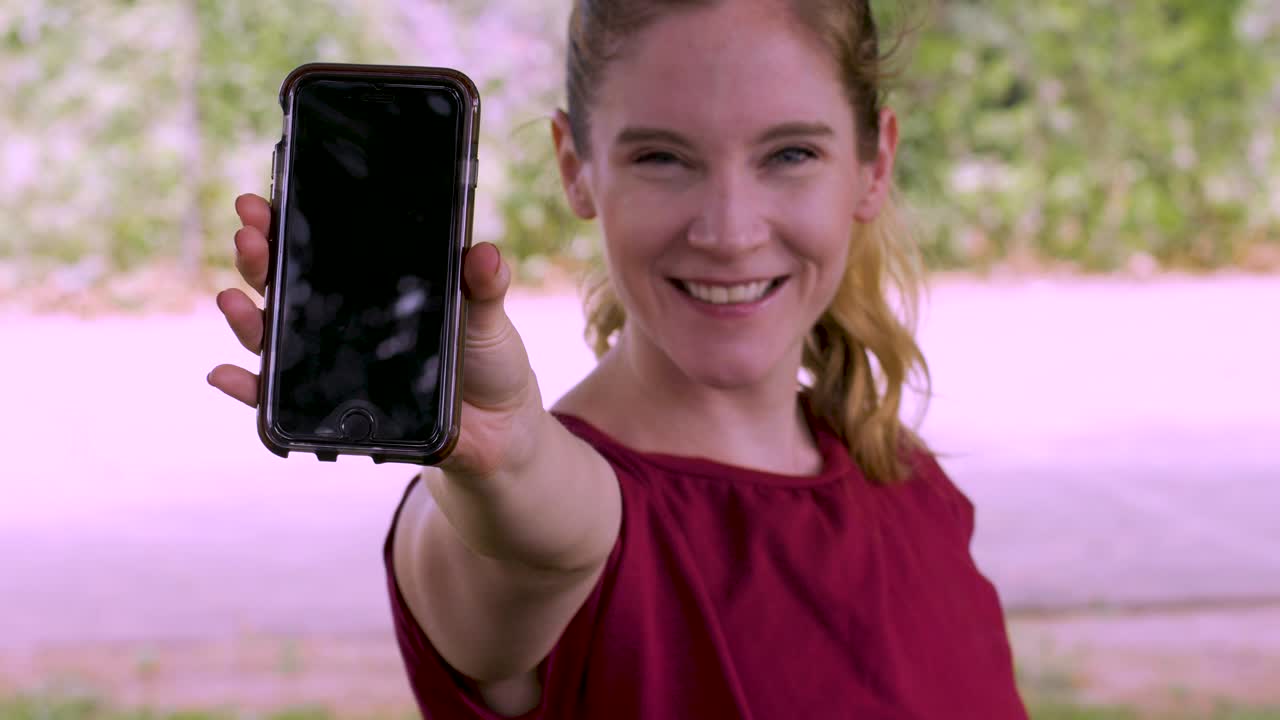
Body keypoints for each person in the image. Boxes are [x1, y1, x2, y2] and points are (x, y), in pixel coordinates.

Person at [209, 0, 1030, 717]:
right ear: (576, 169)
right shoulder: (549, 514)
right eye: (661, 158)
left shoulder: (913, 487)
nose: (729, 231)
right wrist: (509, 459)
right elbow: (540, 535)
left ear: (874, 164)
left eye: (790, 154)